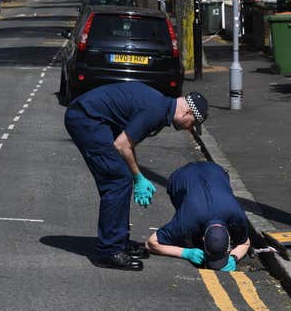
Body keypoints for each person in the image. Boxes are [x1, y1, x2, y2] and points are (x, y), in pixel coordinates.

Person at [64, 82, 208, 271]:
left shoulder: (161, 106)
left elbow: (127, 145)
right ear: (187, 113)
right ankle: (109, 251)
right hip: (86, 119)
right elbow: (122, 145)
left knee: (121, 177)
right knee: (116, 181)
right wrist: (138, 177)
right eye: (192, 125)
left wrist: (134, 174)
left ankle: (119, 241)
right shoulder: (156, 111)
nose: (189, 129)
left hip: (95, 118)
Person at [145, 161, 250, 271]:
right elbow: (151, 243)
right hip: (180, 177)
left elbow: (245, 242)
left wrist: (233, 257)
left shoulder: (238, 216)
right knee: (184, 225)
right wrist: (185, 253)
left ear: (229, 238)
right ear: (203, 238)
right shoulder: (186, 222)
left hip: (215, 170)